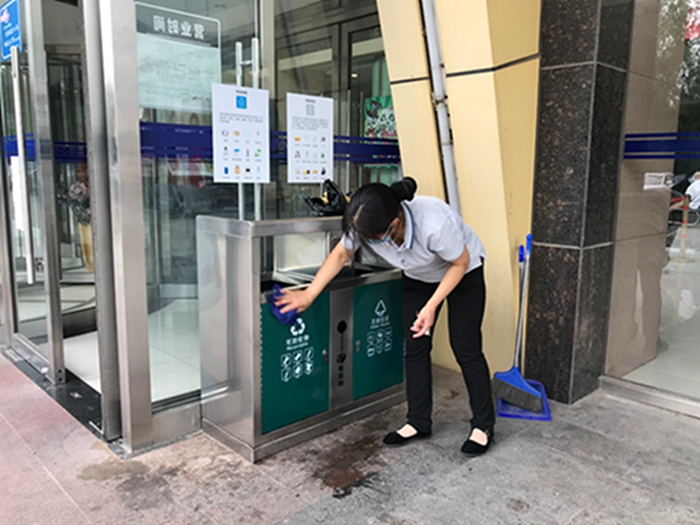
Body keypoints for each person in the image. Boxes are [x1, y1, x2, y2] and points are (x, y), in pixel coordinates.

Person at [276, 177, 496, 456]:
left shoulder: (434, 224)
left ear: (393, 223)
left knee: (465, 348)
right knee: (415, 346)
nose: (365, 241)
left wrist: (431, 306)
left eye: (371, 239)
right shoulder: (363, 221)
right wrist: (309, 294)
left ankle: (483, 425)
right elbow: (342, 253)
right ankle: (418, 421)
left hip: (462, 273)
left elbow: (460, 262)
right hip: (418, 276)